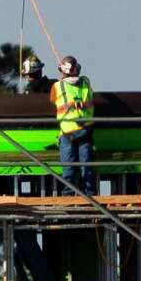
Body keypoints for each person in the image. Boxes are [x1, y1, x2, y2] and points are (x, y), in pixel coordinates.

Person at [51, 55, 95, 195]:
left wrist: (61, 80)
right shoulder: (86, 82)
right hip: (85, 129)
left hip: (67, 131)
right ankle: (89, 194)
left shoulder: (57, 86)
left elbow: (53, 99)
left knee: (68, 167)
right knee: (86, 166)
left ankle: (68, 196)